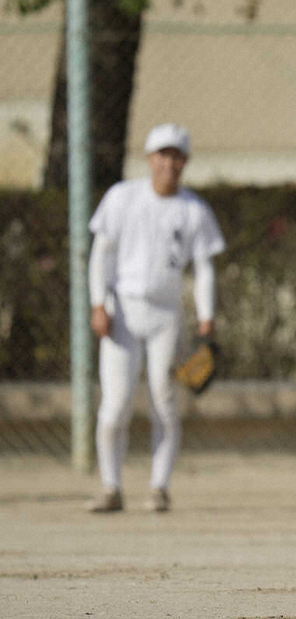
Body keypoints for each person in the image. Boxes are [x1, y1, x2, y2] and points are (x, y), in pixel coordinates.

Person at [85, 123, 226, 513]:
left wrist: (206, 318)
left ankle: (158, 486)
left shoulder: (193, 209)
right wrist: (98, 303)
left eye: (177, 156)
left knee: (164, 402)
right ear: (149, 158)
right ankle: (110, 486)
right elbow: (101, 255)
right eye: (163, 154)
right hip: (123, 311)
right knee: (115, 405)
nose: (170, 163)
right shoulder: (122, 197)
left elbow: (204, 269)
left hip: (166, 314)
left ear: (185, 162)